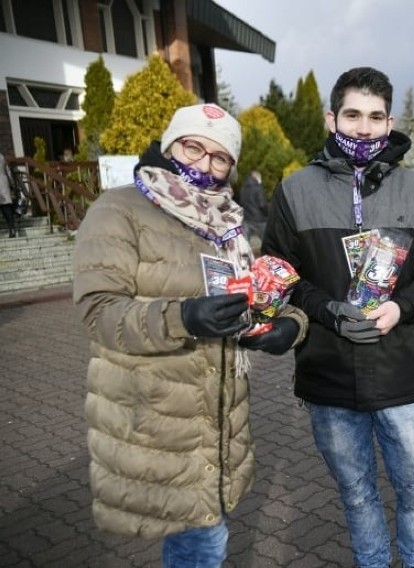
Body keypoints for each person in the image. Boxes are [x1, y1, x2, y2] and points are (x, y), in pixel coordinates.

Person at [72, 103, 308, 567]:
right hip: (157, 417)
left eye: (219, 158)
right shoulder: (119, 208)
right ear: (168, 144)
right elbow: (99, 313)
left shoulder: (228, 225)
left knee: (201, 536)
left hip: (218, 423)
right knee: (202, 542)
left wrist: (289, 327)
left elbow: (259, 295)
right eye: (193, 147)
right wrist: (185, 318)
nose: (203, 164)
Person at [262, 67, 414, 568]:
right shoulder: (295, 190)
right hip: (328, 372)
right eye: (353, 115)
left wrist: (401, 307)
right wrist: (325, 309)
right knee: (357, 493)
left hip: (401, 372)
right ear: (332, 118)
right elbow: (279, 273)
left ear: (389, 123)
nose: (364, 128)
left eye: (375, 117)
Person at [239, 169, 268, 243]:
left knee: (245, 242)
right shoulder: (258, 188)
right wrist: (267, 214)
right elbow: (262, 205)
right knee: (267, 241)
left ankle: (244, 254)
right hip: (259, 219)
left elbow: (242, 202)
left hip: (247, 219)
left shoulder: (243, 188)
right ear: (257, 177)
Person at [0, 154, 17, 237]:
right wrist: (12, 184)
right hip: (3, 183)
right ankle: (12, 229)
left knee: (5, 207)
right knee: (6, 208)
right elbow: (8, 171)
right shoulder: (2, 156)